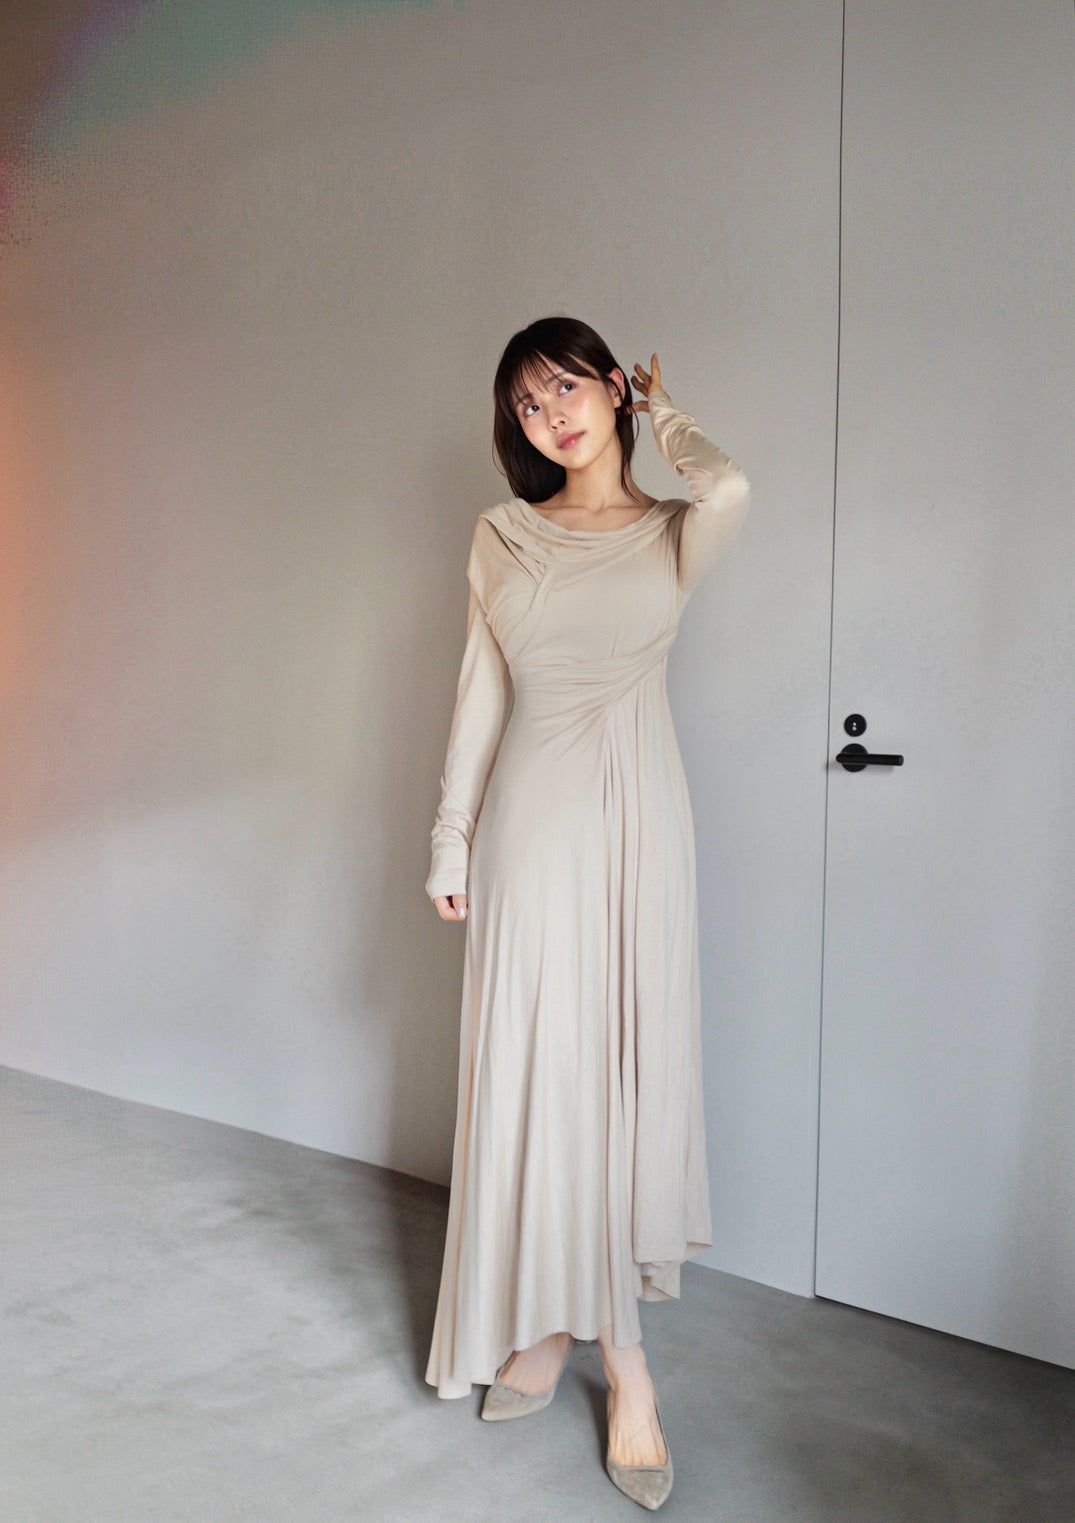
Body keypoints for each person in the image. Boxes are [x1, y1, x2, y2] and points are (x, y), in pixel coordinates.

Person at [424, 316, 749, 1510]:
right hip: (528, 824)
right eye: (526, 403)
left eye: (565, 386)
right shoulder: (501, 534)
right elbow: (479, 693)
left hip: (638, 826)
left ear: (611, 387)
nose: (549, 414)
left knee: (619, 1079)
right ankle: (549, 1326)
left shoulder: (673, 531)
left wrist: (668, 414)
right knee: (539, 1076)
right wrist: (450, 834)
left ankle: (625, 1361)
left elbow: (732, 485)